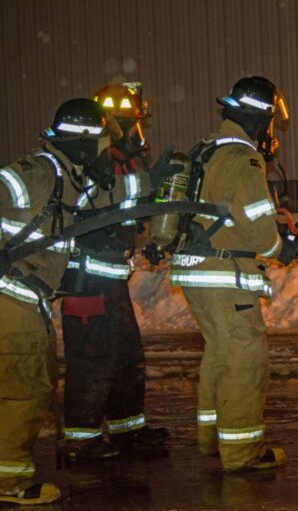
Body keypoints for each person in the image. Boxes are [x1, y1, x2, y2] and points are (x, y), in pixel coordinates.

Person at [0, 98, 179, 506]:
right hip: (13, 294)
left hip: (29, 297)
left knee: (31, 383)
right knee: (23, 391)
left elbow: (104, 198)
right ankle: (9, 482)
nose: (105, 149)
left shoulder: (68, 175)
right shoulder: (38, 171)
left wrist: (150, 179)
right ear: (83, 142)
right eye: (101, 140)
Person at [168, 76, 298, 471]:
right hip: (224, 276)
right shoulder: (243, 157)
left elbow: (227, 213)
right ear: (261, 118)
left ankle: (212, 439)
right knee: (245, 363)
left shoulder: (208, 149)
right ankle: (241, 453)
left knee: (219, 356)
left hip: (197, 271)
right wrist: (285, 247)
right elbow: (258, 227)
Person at [59, 83, 169, 460]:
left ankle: (127, 430)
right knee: (92, 360)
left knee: (125, 355)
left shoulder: (124, 160)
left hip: (111, 277)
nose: (132, 131)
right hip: (86, 280)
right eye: (125, 124)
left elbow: (133, 207)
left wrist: (153, 234)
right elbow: (102, 199)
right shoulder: (92, 161)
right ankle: (82, 440)